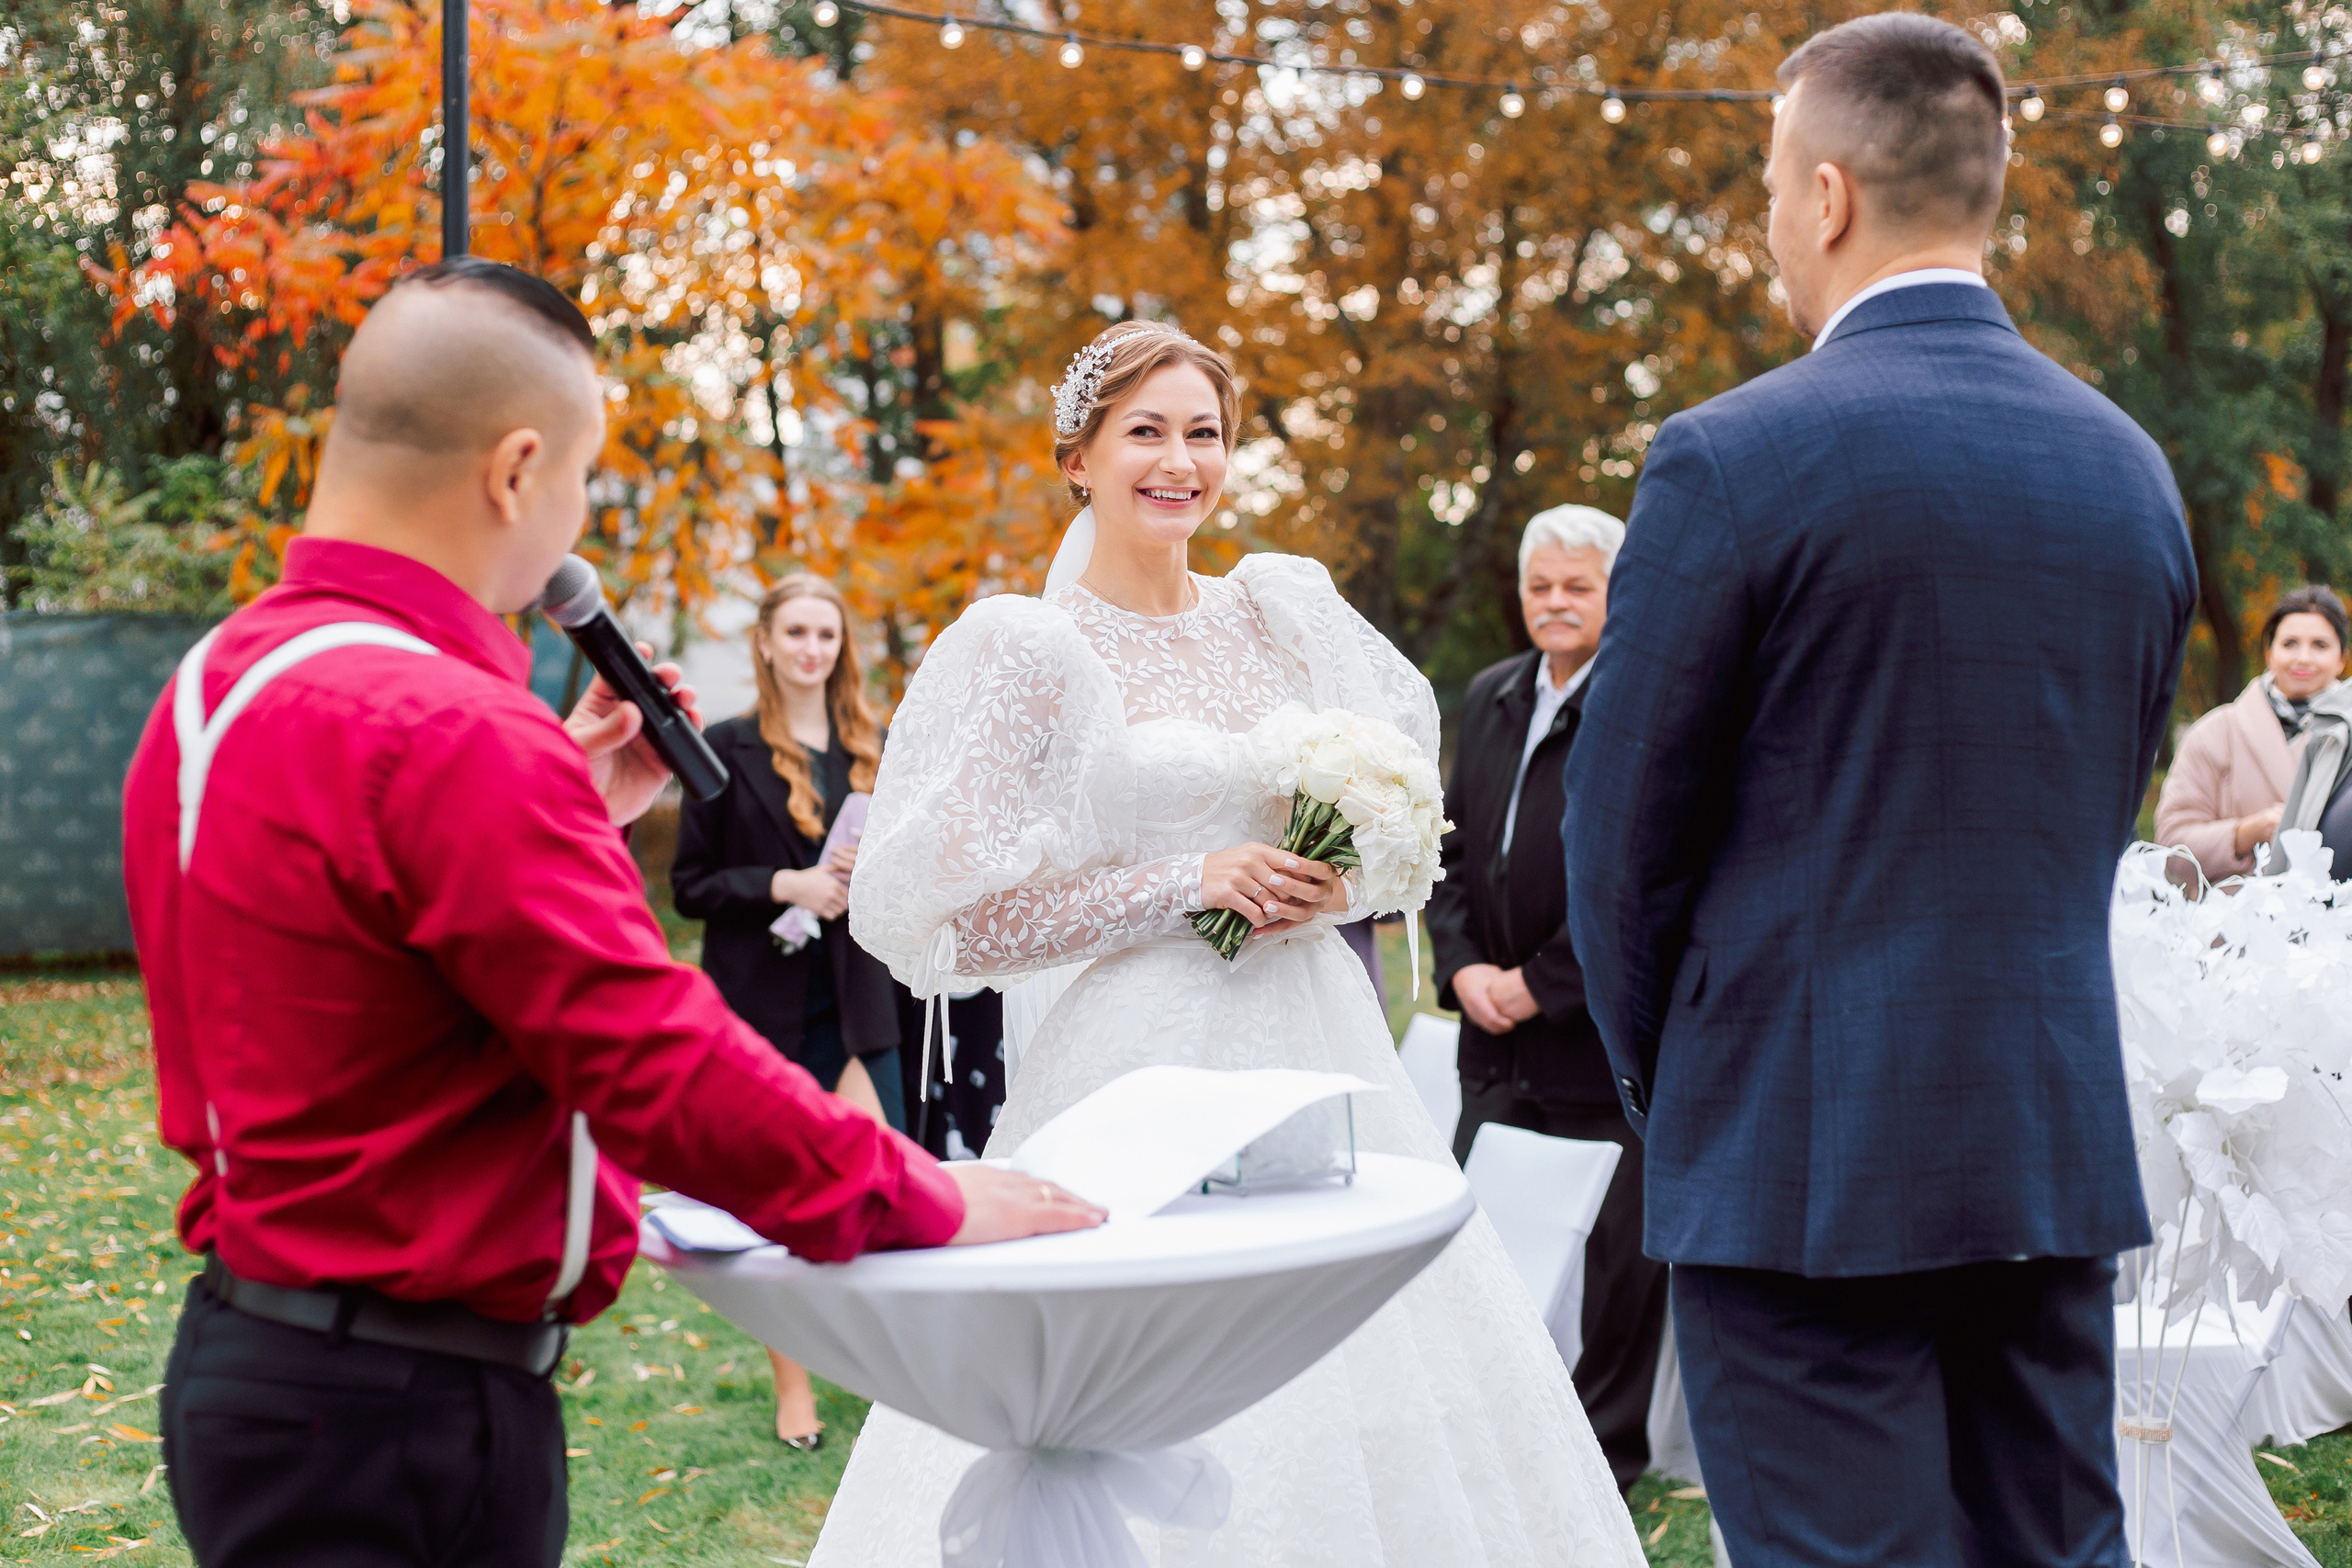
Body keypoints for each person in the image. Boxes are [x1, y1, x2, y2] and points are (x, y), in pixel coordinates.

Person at [121, 257, 1101, 1568]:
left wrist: (568, 809)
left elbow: (369, 953)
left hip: (253, 1361)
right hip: (400, 1412)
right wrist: (918, 1189)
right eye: (583, 478)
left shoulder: (217, 683)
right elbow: (648, 1055)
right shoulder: (454, 731)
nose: (575, 520)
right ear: (517, 469)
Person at [812, 321, 1644, 1566]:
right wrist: (1176, 882)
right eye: (1144, 429)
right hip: (1131, 1068)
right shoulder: (1029, 649)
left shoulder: (1281, 612)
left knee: (1367, 1345)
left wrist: (1332, 881)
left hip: (1318, 1046)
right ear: (1077, 455)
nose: (1178, 460)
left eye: (1203, 432)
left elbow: (1395, 828)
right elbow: (959, 919)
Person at [1562, 17, 2196, 1568]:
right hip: (2043, 1133)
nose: (1772, 220)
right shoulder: (2130, 470)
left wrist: (1688, 1088)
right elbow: (2102, 796)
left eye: (1773, 183)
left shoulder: (1735, 457)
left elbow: (1618, 842)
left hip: (1797, 1155)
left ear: (1830, 195)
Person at [1428, 502, 1666, 1495]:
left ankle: (1606, 1454)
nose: (1556, 604)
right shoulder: (1489, 695)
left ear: (1615, 594)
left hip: (1596, 1043)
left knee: (1619, 1264)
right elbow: (1444, 854)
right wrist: (1463, 970)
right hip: (1491, 1040)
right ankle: (1485, 1431)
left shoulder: (1645, 702)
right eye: (1541, 586)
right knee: (1475, 1246)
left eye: (1579, 586)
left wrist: (1545, 985)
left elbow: (1647, 873)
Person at [672, 571, 902, 1450]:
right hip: (762, 1004)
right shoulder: (721, 749)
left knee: (878, 1185)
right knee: (780, 1199)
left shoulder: (873, 746)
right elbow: (690, 886)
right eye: (796, 632)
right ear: (765, 643)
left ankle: (890, 1368)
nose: (812, 649)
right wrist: (785, 883)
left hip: (856, 996)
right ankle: (794, 1388)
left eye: (827, 635)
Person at [2154, 584, 2346, 884]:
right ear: (2269, 654)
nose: (2304, 658)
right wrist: (2247, 832)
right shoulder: (2214, 733)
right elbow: (2171, 847)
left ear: (2342, 659)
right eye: (2290, 643)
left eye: (2320, 645)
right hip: (2233, 924)